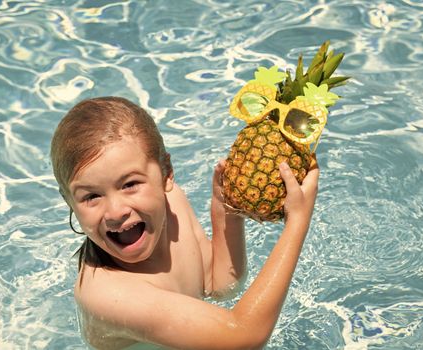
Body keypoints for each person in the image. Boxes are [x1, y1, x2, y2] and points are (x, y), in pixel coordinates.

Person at [50, 96, 319, 349]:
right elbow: (244, 339)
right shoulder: (107, 295)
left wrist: (226, 211)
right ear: (69, 202)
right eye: (91, 196)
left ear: (166, 173)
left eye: (130, 184)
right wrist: (297, 223)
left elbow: (220, 287)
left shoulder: (172, 203)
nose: (115, 211)